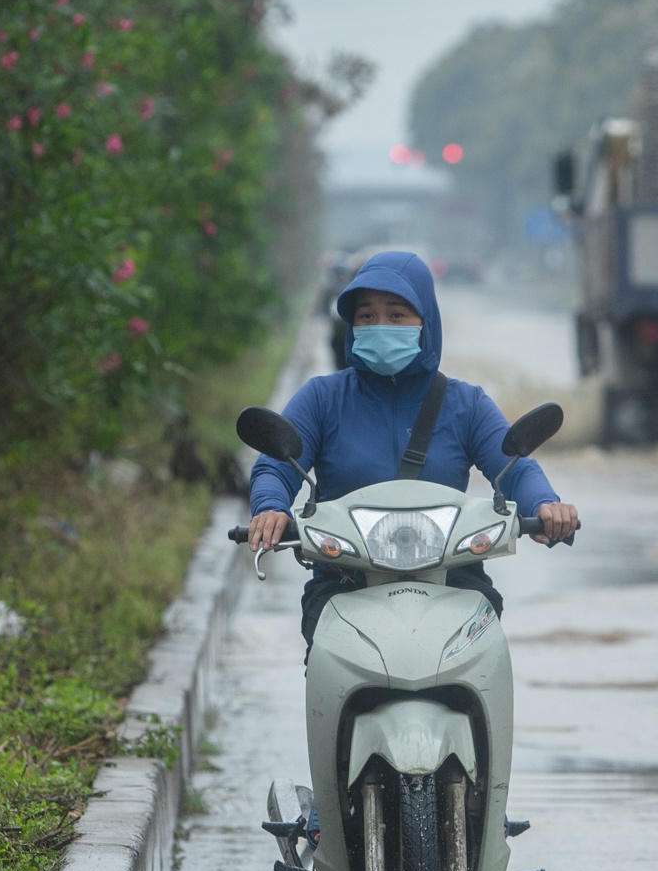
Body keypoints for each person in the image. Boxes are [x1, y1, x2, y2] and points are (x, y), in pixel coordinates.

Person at [247, 251, 578, 649]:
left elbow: (515, 466)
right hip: (344, 580)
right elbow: (275, 466)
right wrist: (271, 507)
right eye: (366, 316)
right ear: (351, 324)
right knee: (330, 667)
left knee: (484, 660)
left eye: (397, 315)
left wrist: (544, 504)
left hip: (452, 579)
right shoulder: (322, 398)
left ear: (426, 322)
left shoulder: (466, 404)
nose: (380, 326)